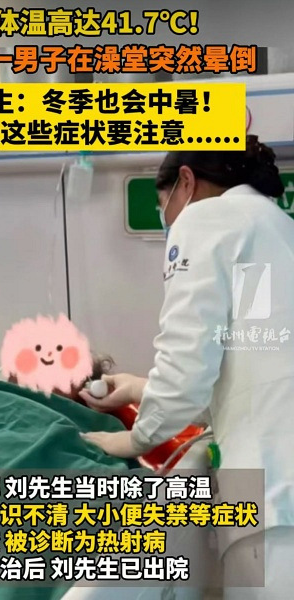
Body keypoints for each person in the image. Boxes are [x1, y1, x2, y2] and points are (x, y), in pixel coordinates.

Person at [79, 135, 294, 599]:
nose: (168, 221)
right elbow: (245, 362)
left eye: (164, 207)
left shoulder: (205, 218)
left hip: (272, 494)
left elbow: (186, 365)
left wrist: (135, 438)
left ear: (187, 182)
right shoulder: (276, 228)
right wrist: (138, 387)